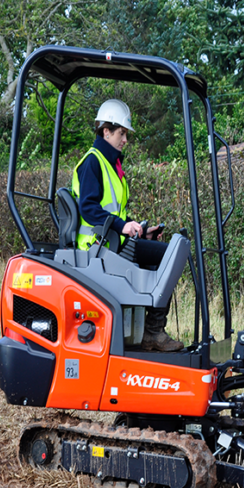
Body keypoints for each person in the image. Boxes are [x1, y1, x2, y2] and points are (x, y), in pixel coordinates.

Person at [72, 99, 184, 352]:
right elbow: (89, 209)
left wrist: (141, 230)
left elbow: (114, 212)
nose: (125, 140)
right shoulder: (93, 162)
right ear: (106, 131)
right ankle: (153, 332)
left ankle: (149, 332)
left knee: (164, 254)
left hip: (111, 241)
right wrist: (123, 227)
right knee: (170, 254)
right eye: (122, 133)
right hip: (97, 247)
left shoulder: (111, 164)